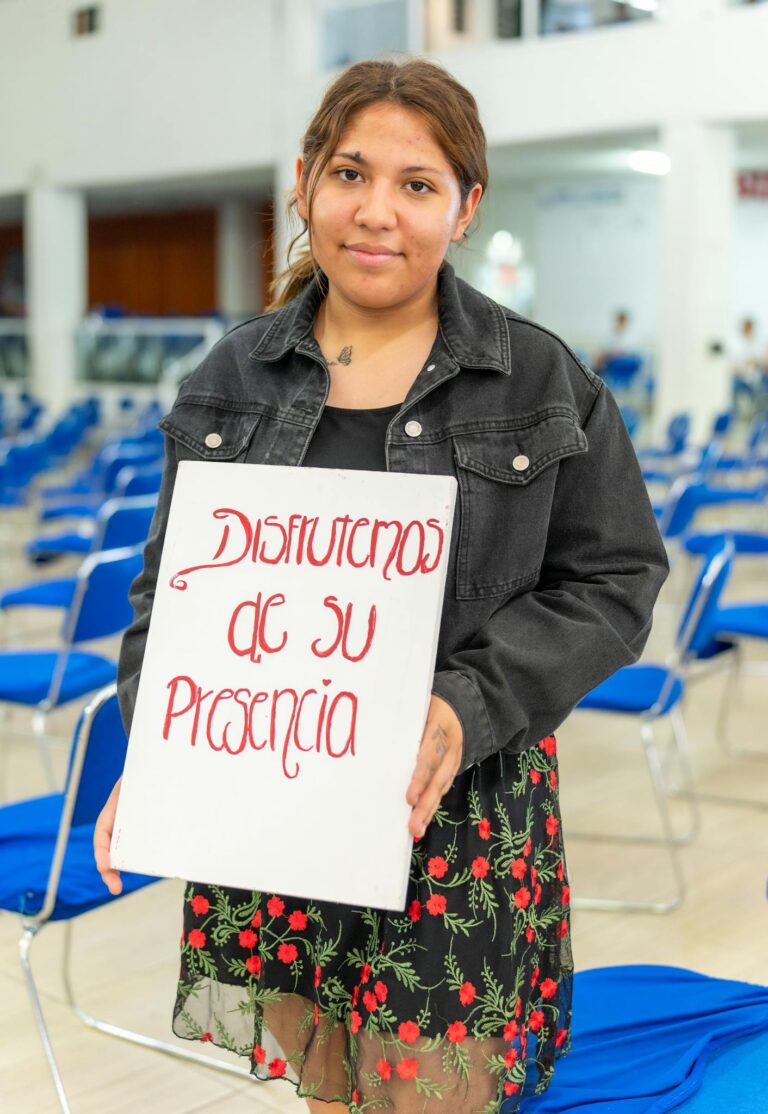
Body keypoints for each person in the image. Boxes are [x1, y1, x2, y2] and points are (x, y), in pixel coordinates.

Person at [94, 57, 669, 1113]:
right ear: (305, 182)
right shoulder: (231, 377)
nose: (377, 211)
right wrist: (162, 751)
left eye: (418, 184)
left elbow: (617, 575)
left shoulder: (541, 379)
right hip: (275, 824)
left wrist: (467, 700)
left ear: (465, 207)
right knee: (332, 1096)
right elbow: (166, 594)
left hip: (452, 818)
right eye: (351, 174)